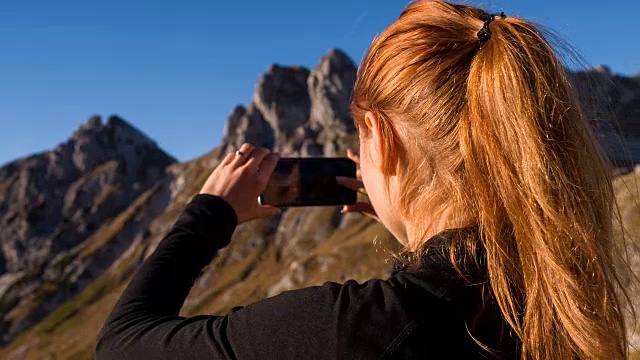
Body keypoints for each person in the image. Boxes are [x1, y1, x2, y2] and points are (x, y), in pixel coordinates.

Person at [95, 1, 632, 359]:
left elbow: (122, 344)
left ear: (380, 134)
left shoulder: (351, 328)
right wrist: (417, 232)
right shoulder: (554, 294)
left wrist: (208, 214)